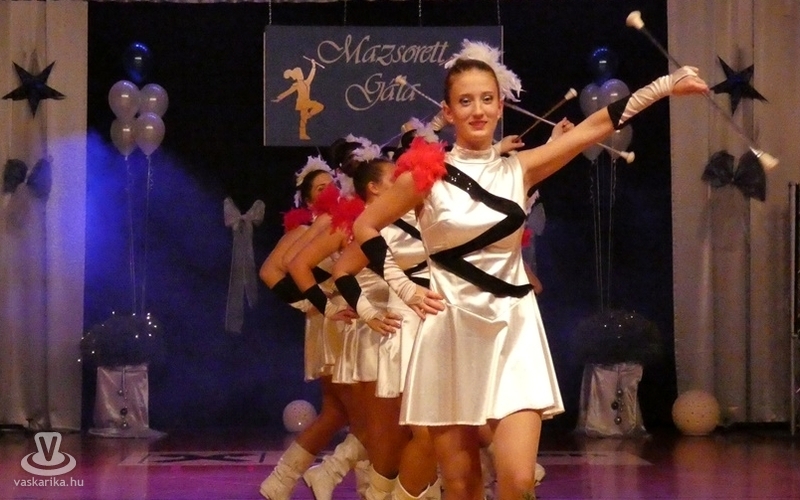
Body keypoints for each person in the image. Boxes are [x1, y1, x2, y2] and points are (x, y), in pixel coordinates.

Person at [351, 40, 708, 500]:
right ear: (449, 111)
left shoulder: (520, 168)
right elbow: (365, 225)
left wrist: (663, 86)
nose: (478, 110)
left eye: (487, 99)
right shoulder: (425, 177)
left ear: (500, 106)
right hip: (450, 330)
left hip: (513, 331)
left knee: (519, 480)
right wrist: (404, 288)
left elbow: (593, 127)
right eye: (465, 101)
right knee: (461, 484)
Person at [287, 136, 408, 500]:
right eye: (394, 178)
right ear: (372, 186)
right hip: (366, 327)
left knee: (387, 424)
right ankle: (342, 479)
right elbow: (297, 265)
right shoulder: (349, 223)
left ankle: (345, 479)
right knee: (374, 424)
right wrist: (325, 306)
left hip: (399, 325)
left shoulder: (402, 219)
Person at [258, 157, 365, 500]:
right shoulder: (308, 230)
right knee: (363, 411)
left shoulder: (344, 223)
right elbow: (271, 271)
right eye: (319, 189)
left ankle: (282, 480)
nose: (328, 191)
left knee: (337, 411)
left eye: (331, 185)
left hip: (341, 319)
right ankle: (365, 485)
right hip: (336, 323)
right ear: (306, 200)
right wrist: (313, 303)